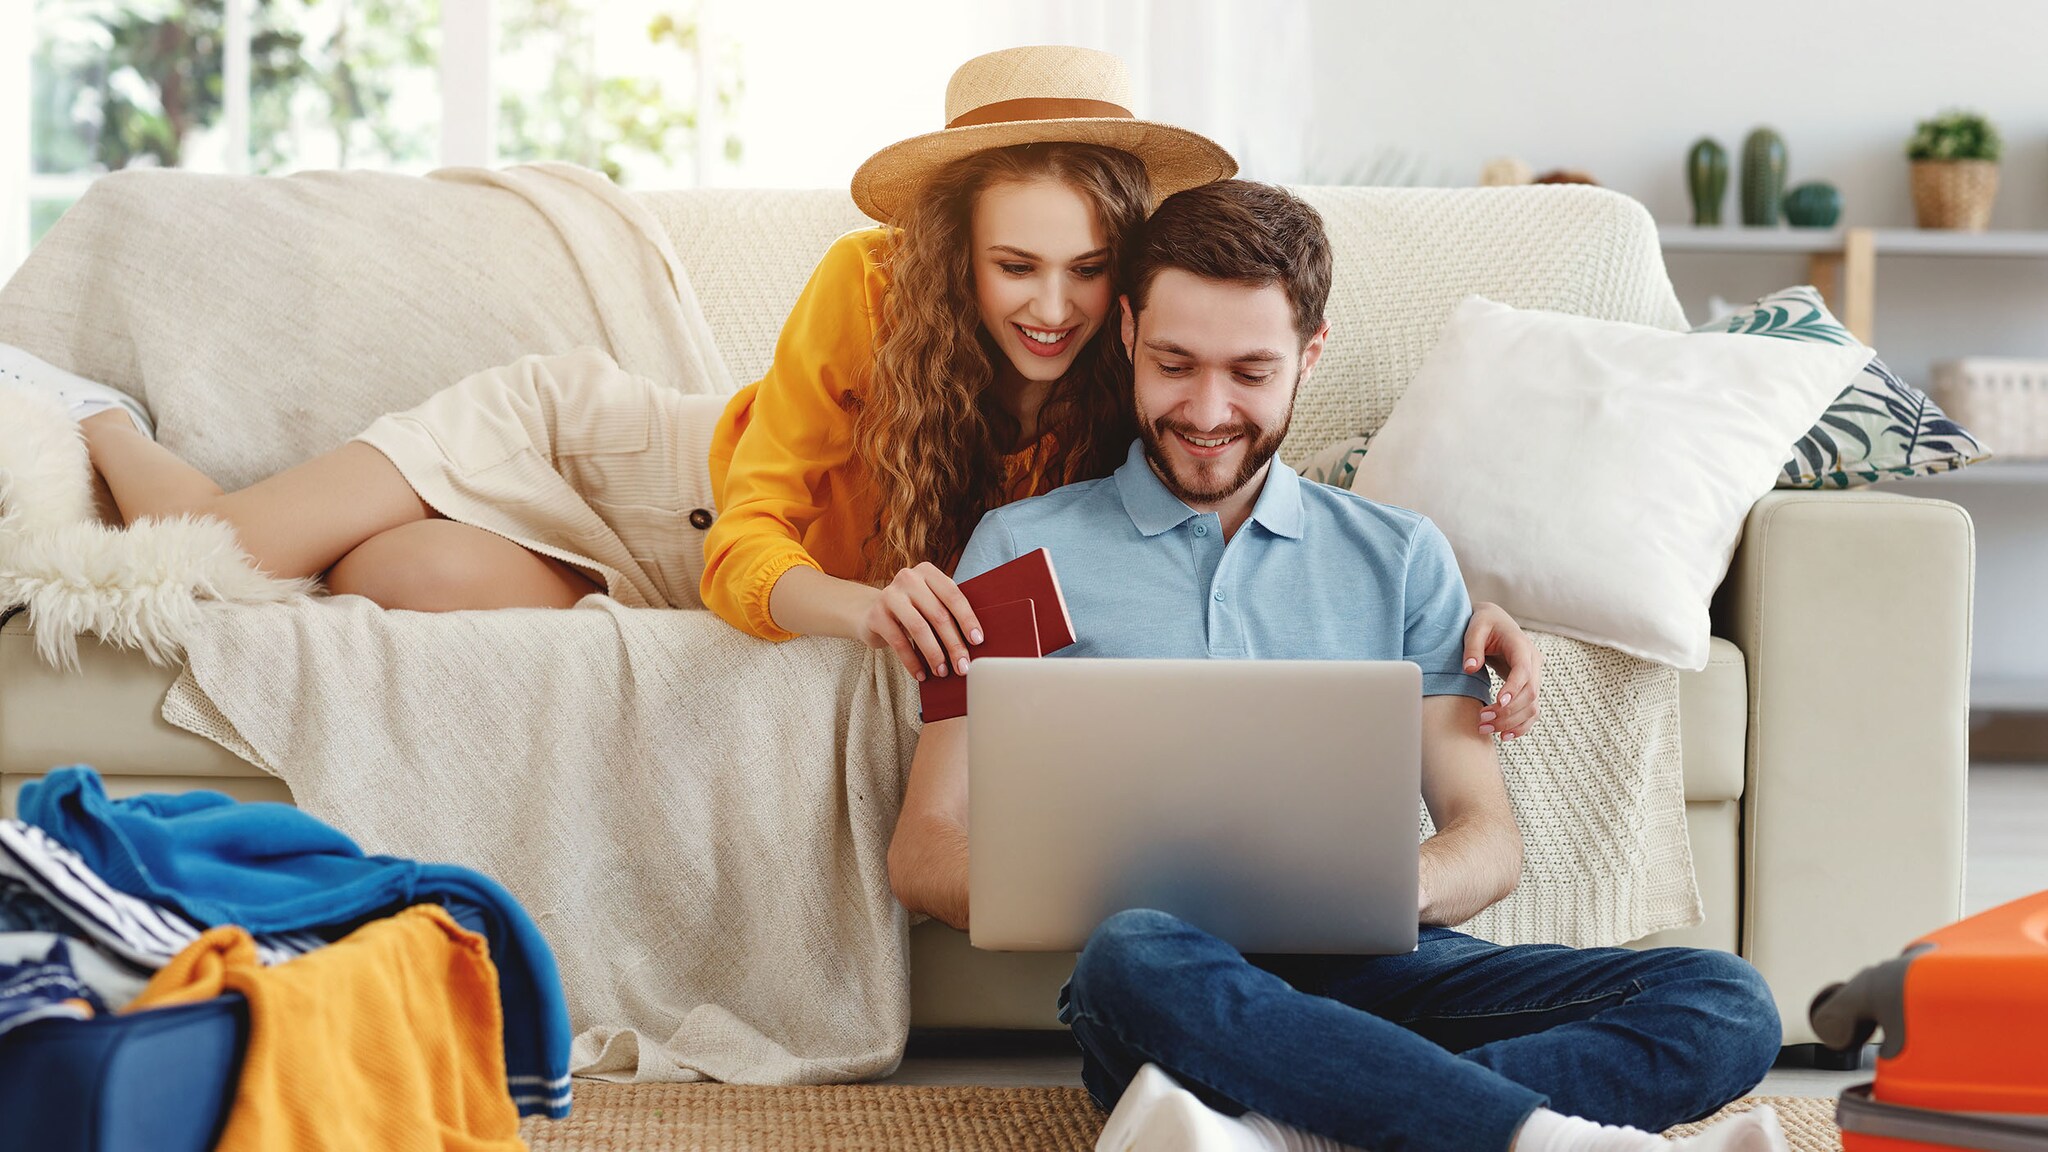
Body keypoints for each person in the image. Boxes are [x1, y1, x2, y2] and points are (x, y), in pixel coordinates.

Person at [7, 45, 1539, 736]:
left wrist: (1456, 612)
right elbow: (747, 542)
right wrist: (872, 610)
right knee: (214, 560)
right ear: (959, 244)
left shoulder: (1143, 363)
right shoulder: (869, 294)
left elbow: (1255, 482)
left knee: (387, 578)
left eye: (1086, 274)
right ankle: (99, 417)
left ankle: (209, 477)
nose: (1054, 308)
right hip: (611, 464)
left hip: (671, 578)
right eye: (1016, 268)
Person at [886, 181, 1787, 1152]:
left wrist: (1376, 892)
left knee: (1723, 1002)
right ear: (1128, 333)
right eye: (1174, 363)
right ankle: (1531, 1137)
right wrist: (1067, 887)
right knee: (1127, 954)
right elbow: (922, 844)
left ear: (1308, 355)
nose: (1206, 409)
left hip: (1383, 972)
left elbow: (1484, 838)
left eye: (1249, 372)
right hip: (1171, 986)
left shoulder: (1399, 559)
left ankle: (1286, 1127)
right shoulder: (1017, 552)